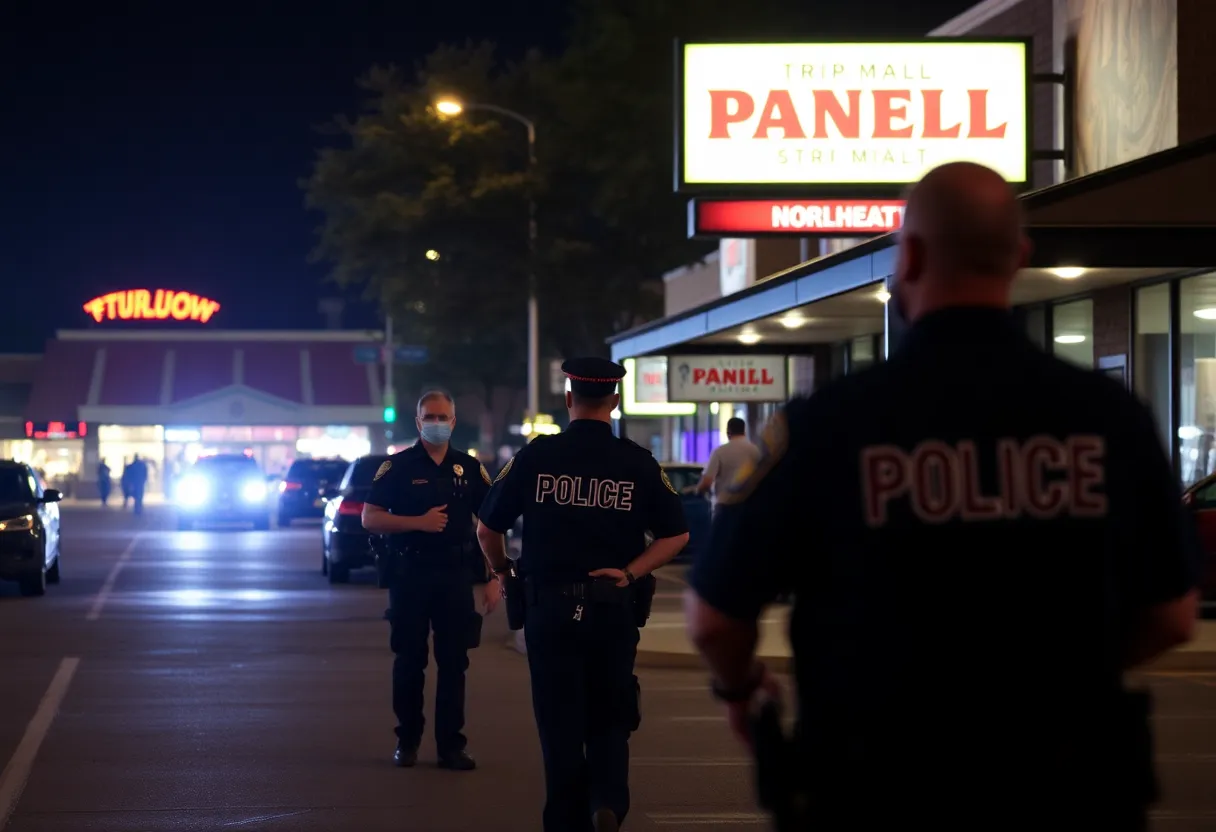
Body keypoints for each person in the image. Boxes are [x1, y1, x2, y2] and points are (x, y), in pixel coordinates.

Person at [684, 162, 1201, 832]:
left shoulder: (826, 424)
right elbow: (1174, 613)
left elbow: (715, 621)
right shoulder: (1110, 417)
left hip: (880, 787)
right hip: (1069, 789)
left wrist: (740, 688)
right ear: (1019, 257)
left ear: (911, 256)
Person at [476, 357, 690, 832]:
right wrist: (631, 574)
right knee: (612, 713)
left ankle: (566, 821)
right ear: (614, 401)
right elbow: (677, 537)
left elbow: (488, 528)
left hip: (549, 610)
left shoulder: (536, 457)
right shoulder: (638, 462)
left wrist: (503, 570)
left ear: (568, 398)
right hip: (613, 609)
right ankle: (608, 801)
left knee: (559, 725)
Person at [361, 390, 499, 771]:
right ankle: (407, 741)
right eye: (429, 417)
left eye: (443, 416)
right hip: (410, 575)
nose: (437, 423)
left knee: (455, 664)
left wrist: (493, 575)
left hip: (455, 577)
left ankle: (450, 746)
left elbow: (490, 523)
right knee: (409, 661)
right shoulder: (398, 467)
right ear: (418, 422)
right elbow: (370, 518)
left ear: (453, 422)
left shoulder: (469, 469)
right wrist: (416, 523)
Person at [689, 417, 760, 508]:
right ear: (744, 432)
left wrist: (697, 491)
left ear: (728, 432)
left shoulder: (720, 452)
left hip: (726, 506)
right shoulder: (755, 451)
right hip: (750, 506)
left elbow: (707, 482)